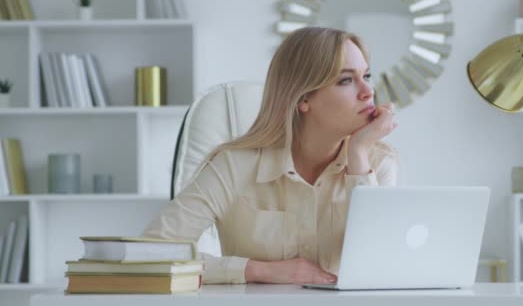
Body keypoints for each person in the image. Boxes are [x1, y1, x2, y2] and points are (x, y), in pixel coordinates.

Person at [144, 27, 399, 285]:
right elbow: (150, 256)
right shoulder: (233, 165)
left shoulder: (376, 163)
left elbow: (384, 265)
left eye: (367, 75)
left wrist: (358, 155)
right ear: (304, 99)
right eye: (346, 80)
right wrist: (257, 270)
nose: (368, 91)